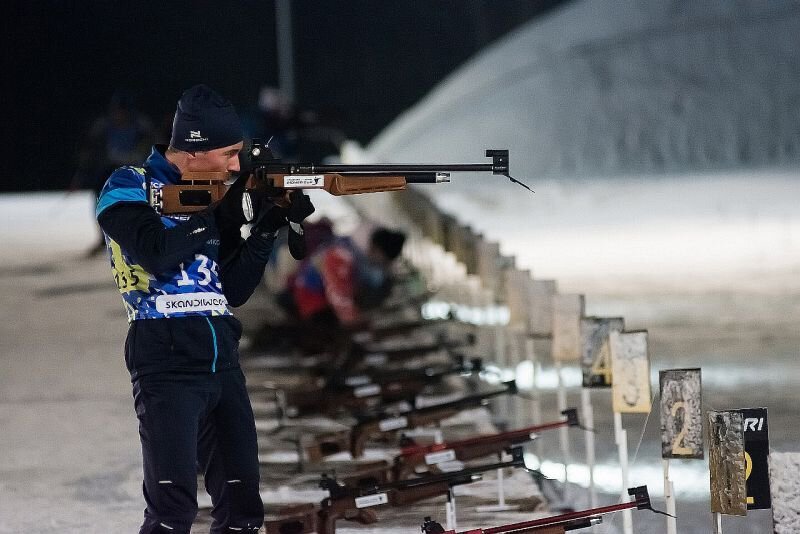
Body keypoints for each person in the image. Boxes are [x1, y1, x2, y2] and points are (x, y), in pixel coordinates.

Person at [96, 84, 314, 533]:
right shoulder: (127, 186)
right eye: (229, 154)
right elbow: (155, 252)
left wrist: (266, 228)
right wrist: (213, 217)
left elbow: (230, 289)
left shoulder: (213, 195)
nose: (236, 165)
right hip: (166, 357)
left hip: (222, 357)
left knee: (242, 508)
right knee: (172, 512)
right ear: (195, 150)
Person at [73, 90, 155, 256]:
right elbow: (90, 149)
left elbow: (154, 143)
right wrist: (82, 172)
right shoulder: (104, 125)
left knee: (139, 204)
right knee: (101, 201)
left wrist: (141, 154)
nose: (119, 115)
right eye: (117, 111)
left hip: (134, 170)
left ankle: (139, 237)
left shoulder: (140, 125)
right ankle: (104, 238)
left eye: (123, 111)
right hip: (109, 170)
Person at [285, 226, 406, 337]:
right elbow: (338, 293)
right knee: (331, 334)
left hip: (321, 299)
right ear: (376, 249)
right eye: (384, 260)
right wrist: (353, 321)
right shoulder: (342, 254)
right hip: (312, 300)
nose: (382, 264)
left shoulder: (355, 252)